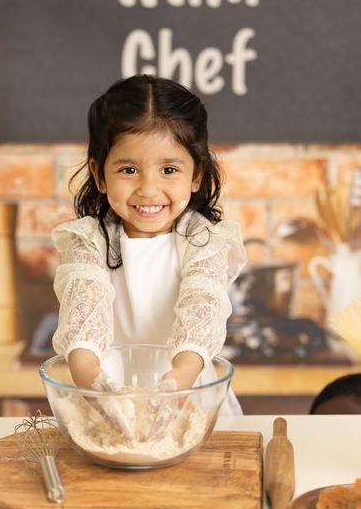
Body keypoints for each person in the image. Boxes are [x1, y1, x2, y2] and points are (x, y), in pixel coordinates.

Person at [51, 74, 246, 426]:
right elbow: (82, 322)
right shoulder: (88, 240)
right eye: (129, 169)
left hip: (190, 397)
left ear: (197, 174)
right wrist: (98, 391)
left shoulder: (204, 242)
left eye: (169, 169)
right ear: (99, 175)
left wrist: (174, 387)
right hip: (105, 399)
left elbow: (201, 312)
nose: (149, 189)